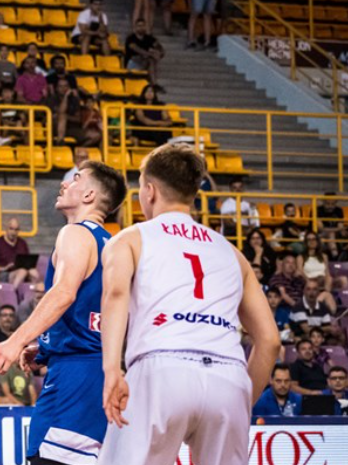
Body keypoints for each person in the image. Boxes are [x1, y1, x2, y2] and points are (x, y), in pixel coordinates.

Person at [97, 144, 280, 464]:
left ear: (149, 191)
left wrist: (112, 369)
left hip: (161, 366)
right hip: (228, 374)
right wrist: (241, 401)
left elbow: (115, 295)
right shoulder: (232, 253)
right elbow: (269, 341)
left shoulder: (130, 238)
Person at [0, 158, 125, 462]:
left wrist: (14, 341)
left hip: (76, 373)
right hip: (99, 371)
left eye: (75, 178)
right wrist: (46, 345)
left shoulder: (74, 233)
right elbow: (99, 316)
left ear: (89, 196)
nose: (64, 183)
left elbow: (63, 294)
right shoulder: (112, 244)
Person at [0, 218, 29, 283]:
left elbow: (27, 260)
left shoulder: (22, 243)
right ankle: (12, 292)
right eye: (11, 229)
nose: (13, 232)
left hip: (19, 270)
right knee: (22, 271)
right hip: (2, 273)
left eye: (16, 229)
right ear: (6, 229)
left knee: (34, 273)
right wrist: (5, 268)